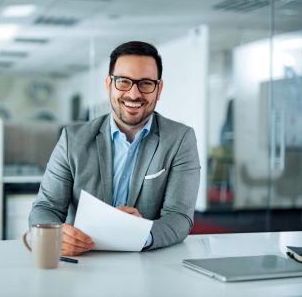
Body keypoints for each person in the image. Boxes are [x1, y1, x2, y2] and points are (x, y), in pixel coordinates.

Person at [29, 41, 200, 256]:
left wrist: (141, 234)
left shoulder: (180, 139)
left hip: (147, 263)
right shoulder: (72, 139)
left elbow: (179, 217)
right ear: (109, 84)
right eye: (123, 82)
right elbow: (45, 208)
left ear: (159, 89)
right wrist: (56, 235)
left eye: (146, 83)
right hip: (82, 260)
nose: (134, 94)